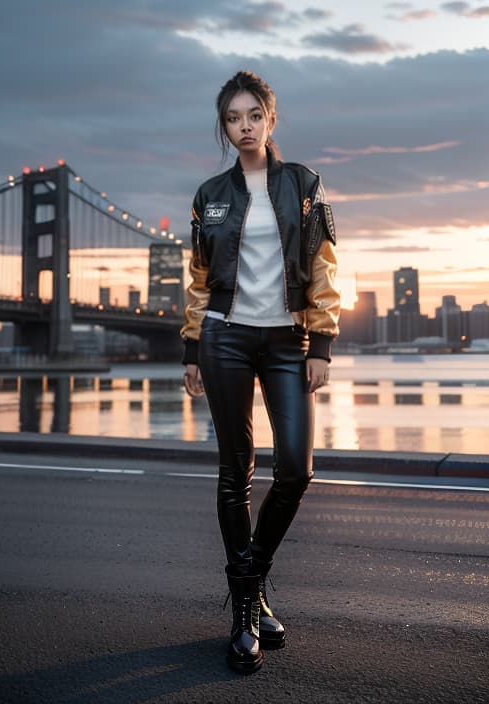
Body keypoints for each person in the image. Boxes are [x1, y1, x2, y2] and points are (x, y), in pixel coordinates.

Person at [181, 70, 340, 675]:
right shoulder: (208, 194)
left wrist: (321, 343)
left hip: (286, 340)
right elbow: (197, 280)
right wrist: (191, 350)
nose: (243, 127)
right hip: (223, 337)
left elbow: (325, 265)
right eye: (232, 118)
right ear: (223, 126)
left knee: (296, 468)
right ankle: (246, 610)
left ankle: (249, 583)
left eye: (253, 115)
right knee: (235, 472)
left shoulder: (306, 184)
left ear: (271, 118)